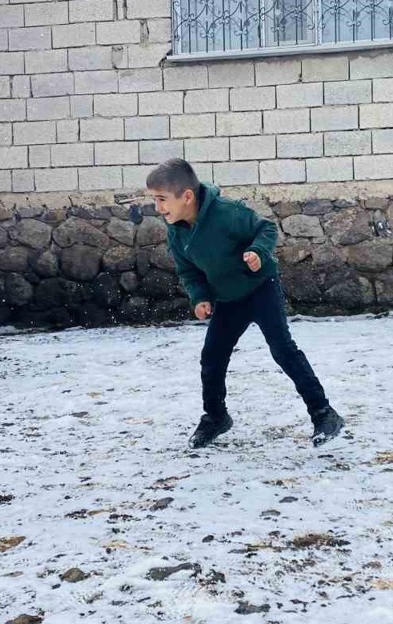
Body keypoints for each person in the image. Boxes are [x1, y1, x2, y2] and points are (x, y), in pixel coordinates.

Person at [146, 159, 344, 448]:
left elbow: (266, 229)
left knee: (283, 350)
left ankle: (324, 413)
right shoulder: (176, 231)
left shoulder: (227, 214)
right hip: (227, 298)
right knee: (212, 357)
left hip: (261, 288)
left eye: (162, 199)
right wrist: (200, 297)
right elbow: (188, 271)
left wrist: (257, 252)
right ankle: (216, 417)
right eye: (155, 200)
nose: (158, 207)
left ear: (186, 196)